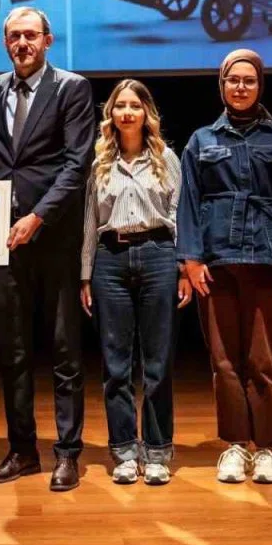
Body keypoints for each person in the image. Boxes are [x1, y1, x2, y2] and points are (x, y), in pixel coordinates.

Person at [0, 6, 96, 492]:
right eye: (14, 36)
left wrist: (38, 216)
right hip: (3, 239)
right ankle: (22, 450)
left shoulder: (72, 88)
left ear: (47, 40)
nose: (22, 44)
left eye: (30, 35)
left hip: (54, 238)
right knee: (13, 352)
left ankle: (68, 453)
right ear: (5, 43)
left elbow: (77, 164)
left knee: (64, 352)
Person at [177, 48, 272, 485]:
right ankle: (234, 445)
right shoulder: (201, 140)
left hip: (268, 260)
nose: (241, 87)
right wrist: (190, 260)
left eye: (249, 80)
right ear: (222, 85)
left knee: (263, 360)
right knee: (224, 361)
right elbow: (188, 203)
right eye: (233, 80)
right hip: (215, 262)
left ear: (260, 86)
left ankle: (267, 448)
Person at [79, 79, 190, 485]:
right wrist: (85, 274)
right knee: (116, 366)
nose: (127, 113)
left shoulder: (166, 158)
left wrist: (183, 268)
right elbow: (90, 220)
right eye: (120, 106)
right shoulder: (99, 162)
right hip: (110, 260)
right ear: (110, 114)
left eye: (134, 106)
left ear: (147, 113)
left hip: (158, 255)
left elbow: (179, 214)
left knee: (158, 363)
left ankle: (158, 451)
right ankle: (125, 450)